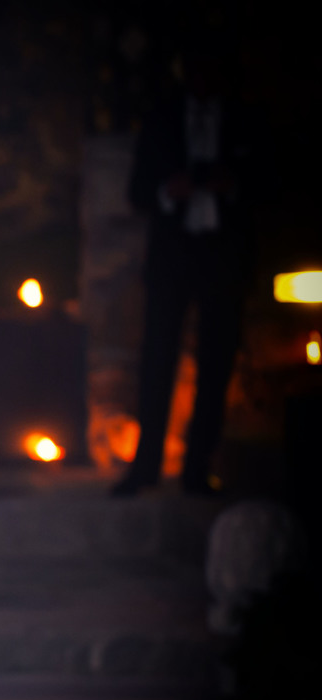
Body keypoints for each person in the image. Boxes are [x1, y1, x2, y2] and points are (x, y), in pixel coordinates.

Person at [110, 40, 252, 497]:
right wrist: (171, 190)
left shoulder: (242, 119)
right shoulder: (163, 120)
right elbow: (138, 191)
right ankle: (145, 466)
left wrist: (231, 184)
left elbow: (271, 184)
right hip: (172, 257)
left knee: (216, 362)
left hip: (223, 257)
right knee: (157, 359)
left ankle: (198, 469)